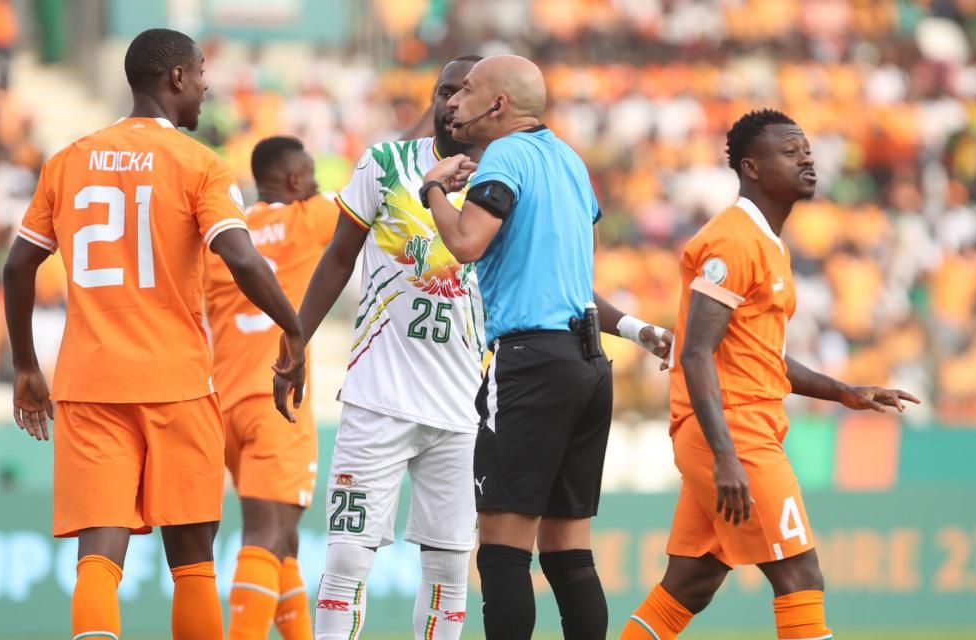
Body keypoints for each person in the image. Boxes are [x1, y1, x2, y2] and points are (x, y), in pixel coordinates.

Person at [2, 28, 304, 640]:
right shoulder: (198, 164)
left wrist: (26, 365)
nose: (205, 86)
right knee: (192, 563)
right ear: (175, 79)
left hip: (89, 384)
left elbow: (17, 265)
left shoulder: (68, 159)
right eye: (200, 73)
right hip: (177, 383)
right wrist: (295, 329)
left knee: (98, 557)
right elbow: (243, 259)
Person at [618, 109, 920, 640]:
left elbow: (756, 357)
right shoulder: (734, 241)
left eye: (806, 148)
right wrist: (727, 455)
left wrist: (842, 391)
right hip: (733, 431)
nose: (806, 157)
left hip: (735, 428)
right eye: (790, 150)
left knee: (692, 582)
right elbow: (695, 353)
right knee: (801, 575)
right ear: (752, 167)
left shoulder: (768, 245)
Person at [422, 54, 671, 640]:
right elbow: (574, 284)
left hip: (530, 363)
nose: (453, 102)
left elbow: (465, 243)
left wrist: (434, 191)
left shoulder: (505, 155)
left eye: (467, 91)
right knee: (567, 551)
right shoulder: (571, 162)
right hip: (588, 366)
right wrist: (637, 328)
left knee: (504, 550)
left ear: (500, 105)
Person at [272, 55, 483, 640]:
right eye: (444, 91)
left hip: (463, 409)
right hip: (376, 399)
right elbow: (339, 256)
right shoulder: (387, 163)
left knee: (448, 569)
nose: (452, 102)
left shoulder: (507, 182)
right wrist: (296, 342)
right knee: (345, 559)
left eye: (466, 92)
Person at [205, 136, 334, 640]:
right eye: (312, 174)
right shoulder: (308, 219)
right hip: (277, 399)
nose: (317, 182)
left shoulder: (224, 237)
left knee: (284, 544)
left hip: (227, 403)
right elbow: (385, 172)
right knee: (266, 535)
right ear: (295, 181)